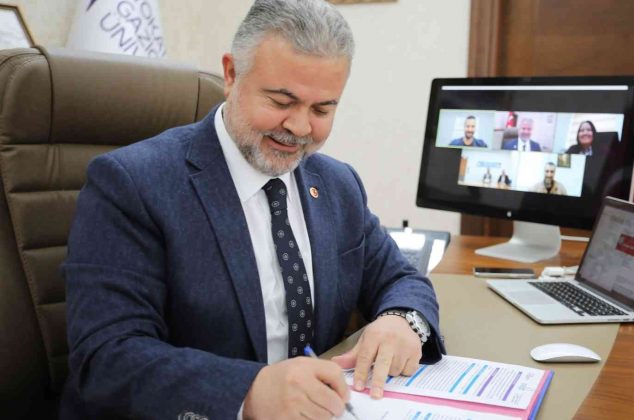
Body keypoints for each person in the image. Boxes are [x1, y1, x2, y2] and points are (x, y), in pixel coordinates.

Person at [60, 1, 445, 419]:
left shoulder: (338, 184)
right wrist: (248, 392)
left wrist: (404, 320)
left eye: (322, 109)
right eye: (281, 101)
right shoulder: (131, 183)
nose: (300, 127)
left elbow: (401, 278)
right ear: (231, 74)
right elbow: (106, 357)